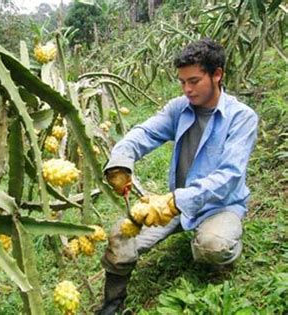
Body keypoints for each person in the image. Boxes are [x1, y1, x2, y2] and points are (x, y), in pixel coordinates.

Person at [97, 39, 259, 315]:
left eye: (194, 81)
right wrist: (120, 162)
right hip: (173, 205)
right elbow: (144, 133)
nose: (187, 89)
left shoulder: (242, 118)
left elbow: (230, 176)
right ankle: (112, 305)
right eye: (182, 81)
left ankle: (220, 244)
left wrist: (175, 201)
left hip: (219, 205)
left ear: (217, 74)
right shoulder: (179, 108)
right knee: (120, 236)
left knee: (213, 245)